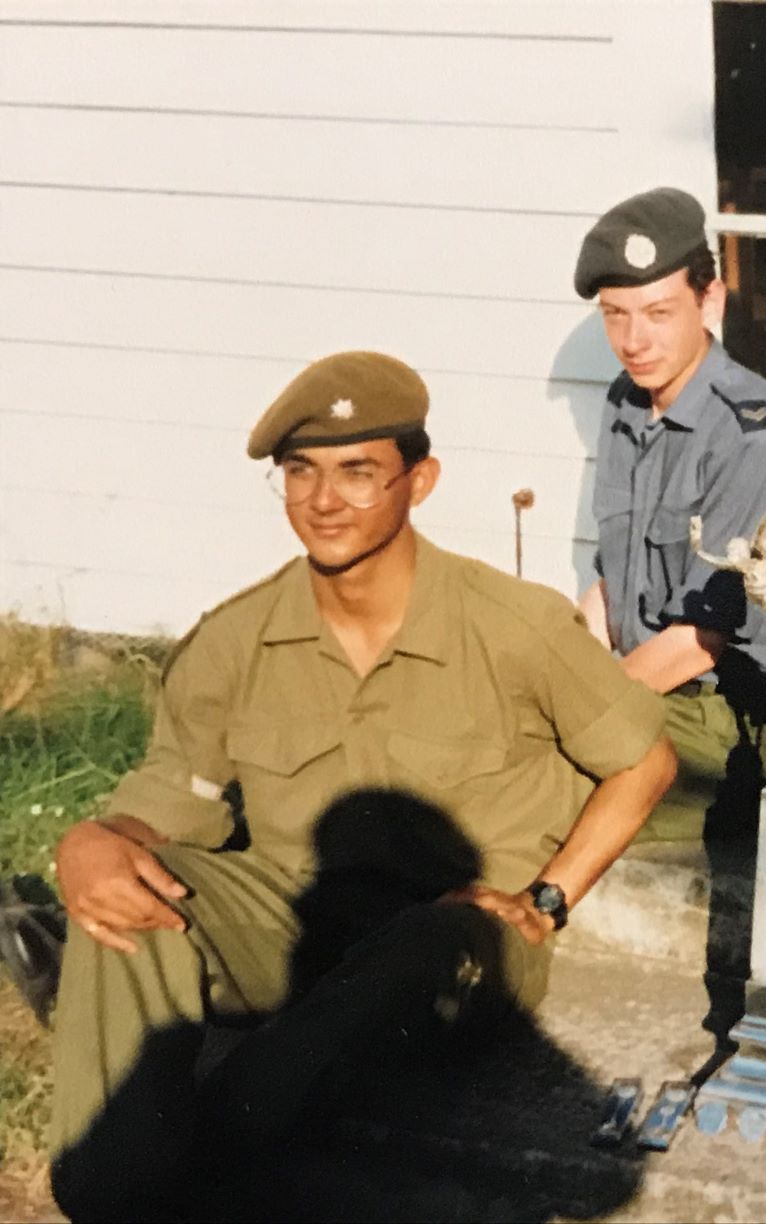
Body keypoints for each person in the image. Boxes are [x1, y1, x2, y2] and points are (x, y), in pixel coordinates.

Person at [48, 351, 677, 1218]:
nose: (323, 501)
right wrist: (94, 842)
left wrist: (550, 898)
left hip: (460, 944)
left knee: (429, 936)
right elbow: (165, 803)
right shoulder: (235, 638)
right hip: (293, 923)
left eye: (357, 473)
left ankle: (199, 1160)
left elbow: (644, 761)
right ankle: (108, 1190)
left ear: (419, 482)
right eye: (300, 473)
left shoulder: (513, 625)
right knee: (125, 902)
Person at [574, 187, 766, 840]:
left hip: (731, 717)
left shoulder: (754, 438)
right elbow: (611, 583)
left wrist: (578, 710)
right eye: (615, 315)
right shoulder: (628, 403)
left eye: (658, 312)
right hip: (652, 692)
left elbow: (702, 642)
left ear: (710, 301)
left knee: (531, 781)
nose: (633, 341)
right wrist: (561, 673)